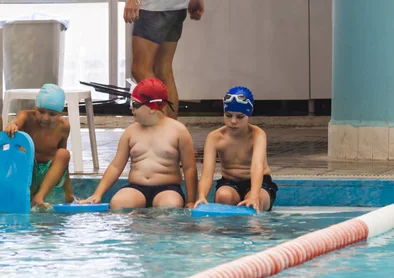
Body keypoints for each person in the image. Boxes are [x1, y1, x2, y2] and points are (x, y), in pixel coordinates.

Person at [83, 78, 197, 209]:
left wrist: (190, 201)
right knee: (118, 204)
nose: (131, 107)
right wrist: (97, 194)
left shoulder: (178, 131)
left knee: (169, 207)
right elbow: (116, 166)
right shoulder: (130, 132)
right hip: (136, 188)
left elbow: (189, 168)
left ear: (152, 108)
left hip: (168, 189)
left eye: (135, 104)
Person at [194, 86, 278, 213]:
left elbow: (257, 166)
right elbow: (206, 174)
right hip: (230, 182)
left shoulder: (257, 135)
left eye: (240, 117)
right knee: (223, 196)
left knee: (256, 202)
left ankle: (255, 229)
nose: (233, 121)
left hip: (259, 184)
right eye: (228, 115)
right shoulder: (215, 138)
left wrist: (254, 196)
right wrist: (201, 196)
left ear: (248, 114)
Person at [124, 0, 205, 118]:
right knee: (163, 70)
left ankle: (163, 128)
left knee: (140, 69)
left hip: (153, 8)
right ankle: (172, 130)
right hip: (177, 7)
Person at [5, 84, 74, 210]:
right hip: (25, 170)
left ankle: (39, 197)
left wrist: (69, 194)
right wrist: (12, 125)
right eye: (41, 111)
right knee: (24, 152)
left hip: (48, 175)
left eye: (52, 114)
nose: (45, 118)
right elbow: (15, 122)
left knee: (64, 154)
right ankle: (29, 196)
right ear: (35, 108)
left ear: (60, 113)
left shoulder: (63, 127)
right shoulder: (26, 117)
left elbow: (63, 165)